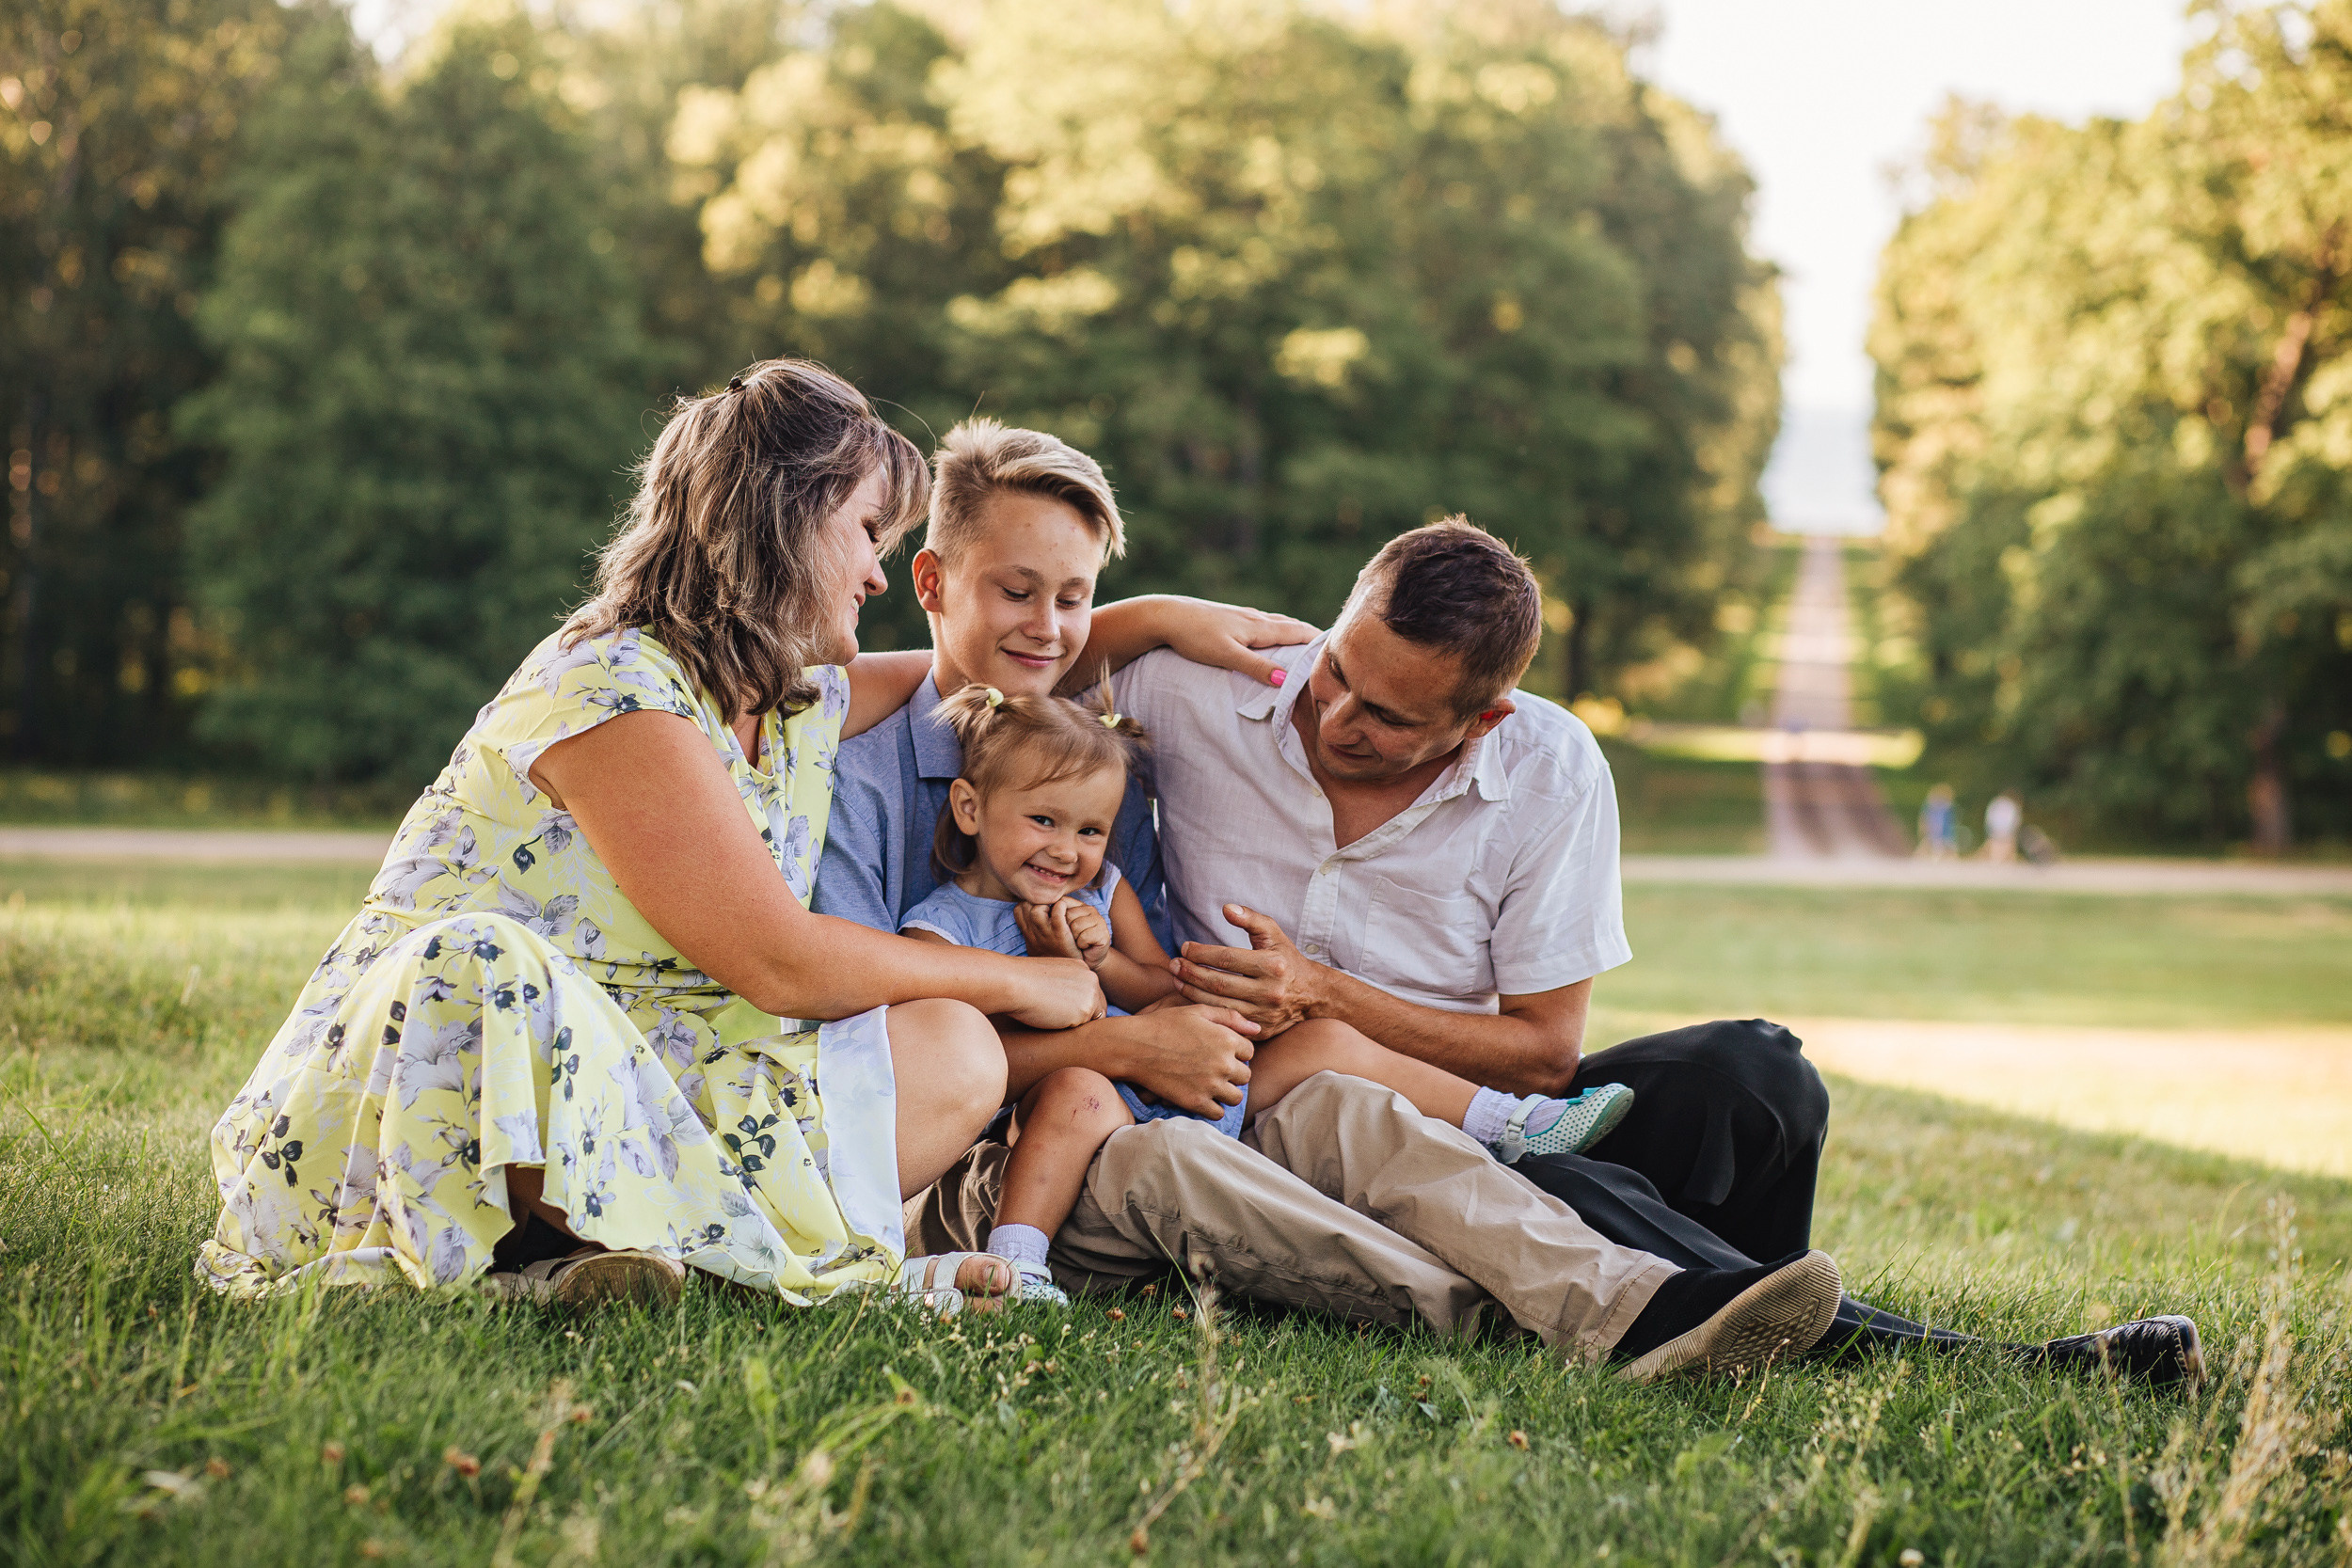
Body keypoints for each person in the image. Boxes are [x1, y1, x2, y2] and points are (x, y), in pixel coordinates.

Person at [197, 359, 1312, 1317]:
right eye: (866, 531)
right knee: (479, 962)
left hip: (642, 1066)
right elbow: (778, 961)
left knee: (950, 1047)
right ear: (777, 517)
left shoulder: (784, 696)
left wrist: (1146, 616)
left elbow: (968, 671)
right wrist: (1017, 981)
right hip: (457, 1062)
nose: (880, 571)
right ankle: (546, 1255)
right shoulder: (614, 689)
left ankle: (644, 1256)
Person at [820, 418, 1853, 1382]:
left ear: (1479, 720)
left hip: (1220, 1086)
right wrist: (1123, 1047)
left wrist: (1192, 1009)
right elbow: (875, 1063)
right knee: (1190, 1158)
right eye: (1018, 592)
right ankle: (1572, 1313)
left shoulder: (1095, 757)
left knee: (1725, 1075)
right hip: (1023, 1155)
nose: (1331, 711)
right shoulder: (858, 774)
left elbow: (1137, 939)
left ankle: (1647, 1300)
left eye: (1076, 597)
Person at [1126, 517, 2202, 1388]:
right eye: (1337, 670)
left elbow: (1545, 1055)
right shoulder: (1204, 682)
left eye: (1388, 715)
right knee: (1561, 1179)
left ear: (1484, 717)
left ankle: (1732, 1301)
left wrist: (1327, 991)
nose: (1336, 715)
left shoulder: (1547, 768)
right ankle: (1941, 1354)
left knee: (1757, 1075)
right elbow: (978, 670)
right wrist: (1151, 612)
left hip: (1491, 1102)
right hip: (1298, 1121)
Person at [897, 683, 1634, 1305]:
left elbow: (1160, 981)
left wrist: (1103, 961)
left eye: (1091, 828)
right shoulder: (942, 929)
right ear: (969, 808)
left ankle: (1512, 1120)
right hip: (1101, 1107)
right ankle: (1017, 1263)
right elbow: (956, 1064)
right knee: (1074, 1094)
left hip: (1198, 1082)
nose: (1067, 848)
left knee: (1322, 1039)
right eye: (1044, 821)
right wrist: (1058, 984)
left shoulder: (1103, 888)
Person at [1919, 784, 1958, 860]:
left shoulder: (1944, 808)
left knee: (1937, 848)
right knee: (1934, 848)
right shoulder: (1936, 808)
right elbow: (1926, 820)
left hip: (1941, 834)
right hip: (1937, 834)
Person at [1985, 790, 2023, 863]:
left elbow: (1989, 817)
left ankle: (1995, 861)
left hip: (1995, 828)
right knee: (2007, 845)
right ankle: (2008, 861)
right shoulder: (2011, 805)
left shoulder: (1995, 803)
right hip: (2006, 829)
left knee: (1996, 846)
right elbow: (2015, 819)